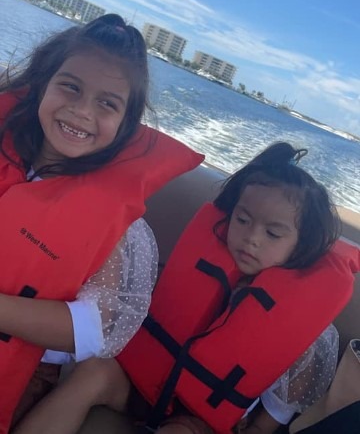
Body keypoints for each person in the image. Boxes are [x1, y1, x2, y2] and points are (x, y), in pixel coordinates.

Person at [14, 142, 360, 434]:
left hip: (197, 418)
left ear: (301, 245)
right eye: (242, 219)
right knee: (90, 374)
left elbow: (271, 418)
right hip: (139, 381)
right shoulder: (200, 260)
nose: (252, 238)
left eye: (272, 233)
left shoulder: (307, 333)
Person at [0, 13, 203, 432]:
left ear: (126, 124)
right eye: (70, 87)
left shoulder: (115, 222)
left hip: (19, 363)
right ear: (43, 83)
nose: (80, 111)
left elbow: (93, 329)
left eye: (106, 103)